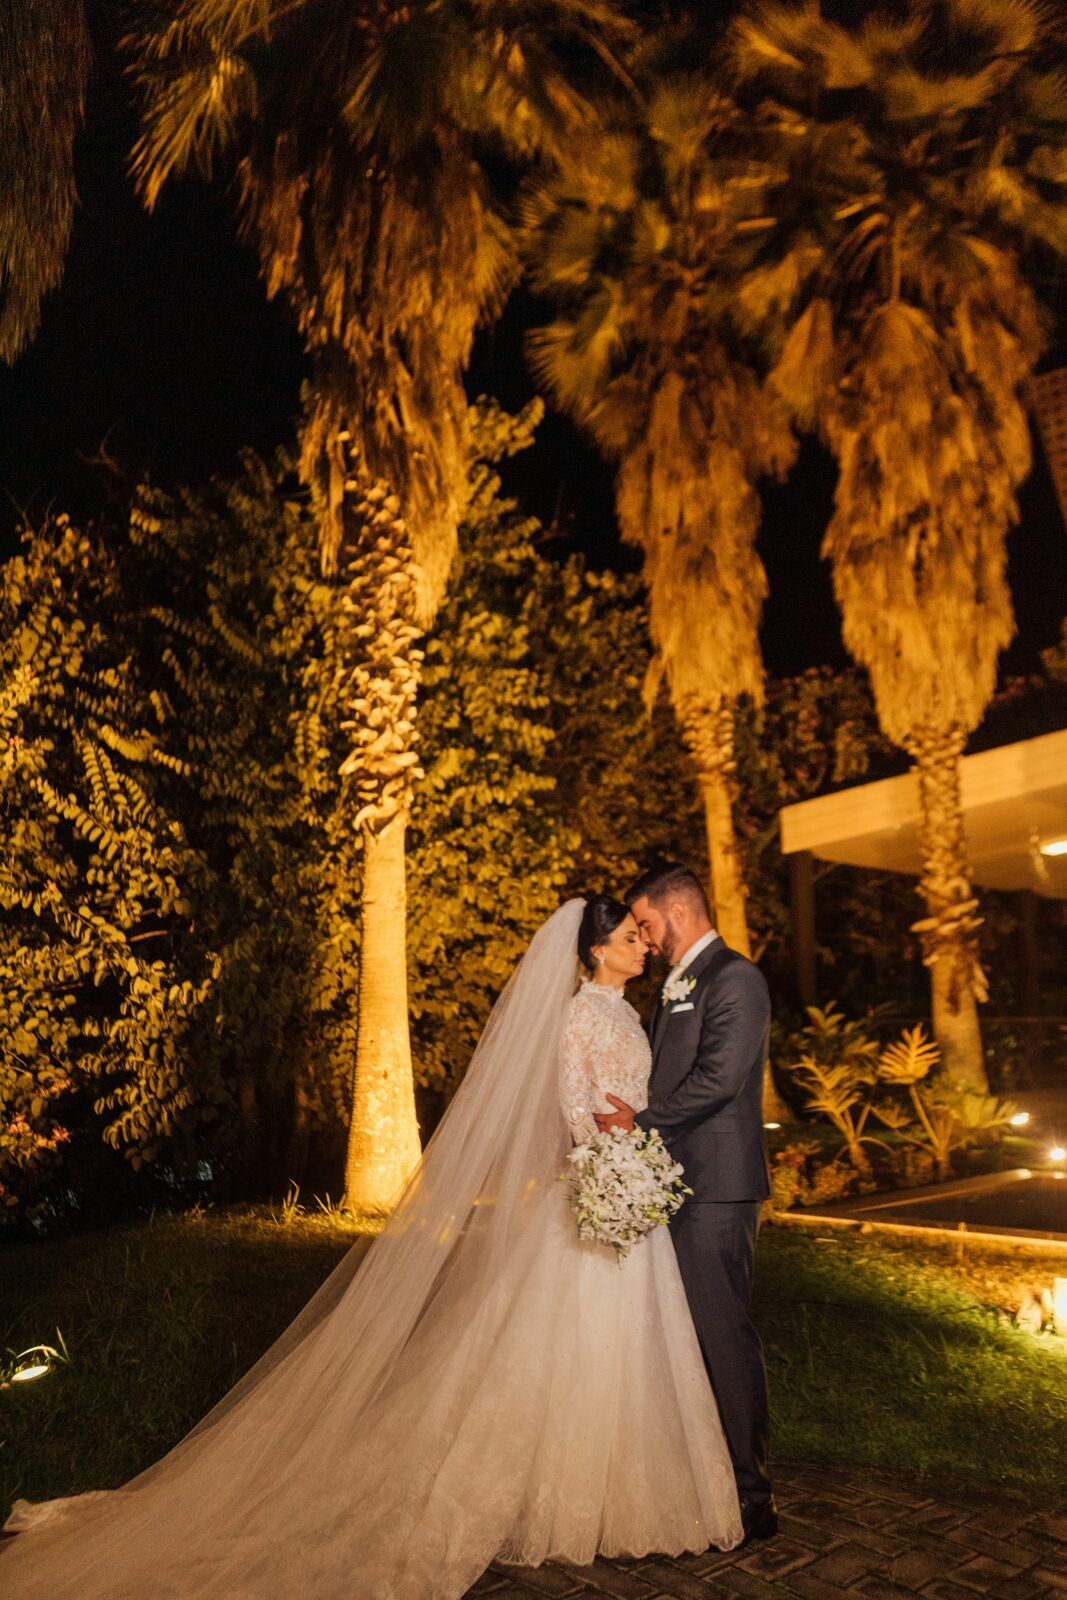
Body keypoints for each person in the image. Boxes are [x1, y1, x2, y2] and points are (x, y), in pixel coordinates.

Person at [0, 897, 742, 1600]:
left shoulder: (630, 1016)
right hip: (594, 1193)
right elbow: (572, 1110)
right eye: (627, 939)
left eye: (640, 937)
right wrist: (606, 1159)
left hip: (625, 1196)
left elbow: (630, 1108)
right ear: (592, 952)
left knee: (621, 1351)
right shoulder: (579, 1018)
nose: (641, 946)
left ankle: (613, 1491)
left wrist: (632, 1160)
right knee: (564, 1350)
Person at [594, 861, 777, 1546]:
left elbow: (719, 1080)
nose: (643, 937)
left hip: (718, 1188)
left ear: (674, 911)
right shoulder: (676, 986)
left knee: (721, 1335)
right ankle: (703, 1476)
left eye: (644, 923)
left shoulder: (735, 978)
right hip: (672, 1185)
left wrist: (637, 1123)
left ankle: (751, 1496)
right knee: (684, 1338)